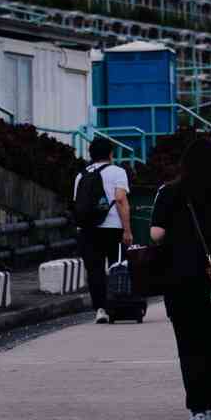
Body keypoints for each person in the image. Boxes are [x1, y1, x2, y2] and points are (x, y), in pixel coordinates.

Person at [149, 138, 211, 420]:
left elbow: (155, 234)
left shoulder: (167, 192)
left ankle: (197, 412)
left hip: (180, 279)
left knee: (189, 345)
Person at [73, 137, 132, 325]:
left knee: (95, 270)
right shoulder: (118, 172)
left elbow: (78, 204)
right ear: (110, 154)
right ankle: (118, 305)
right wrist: (127, 230)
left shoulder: (81, 175)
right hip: (112, 227)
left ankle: (100, 309)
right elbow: (121, 200)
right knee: (117, 266)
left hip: (87, 229)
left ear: (91, 154)